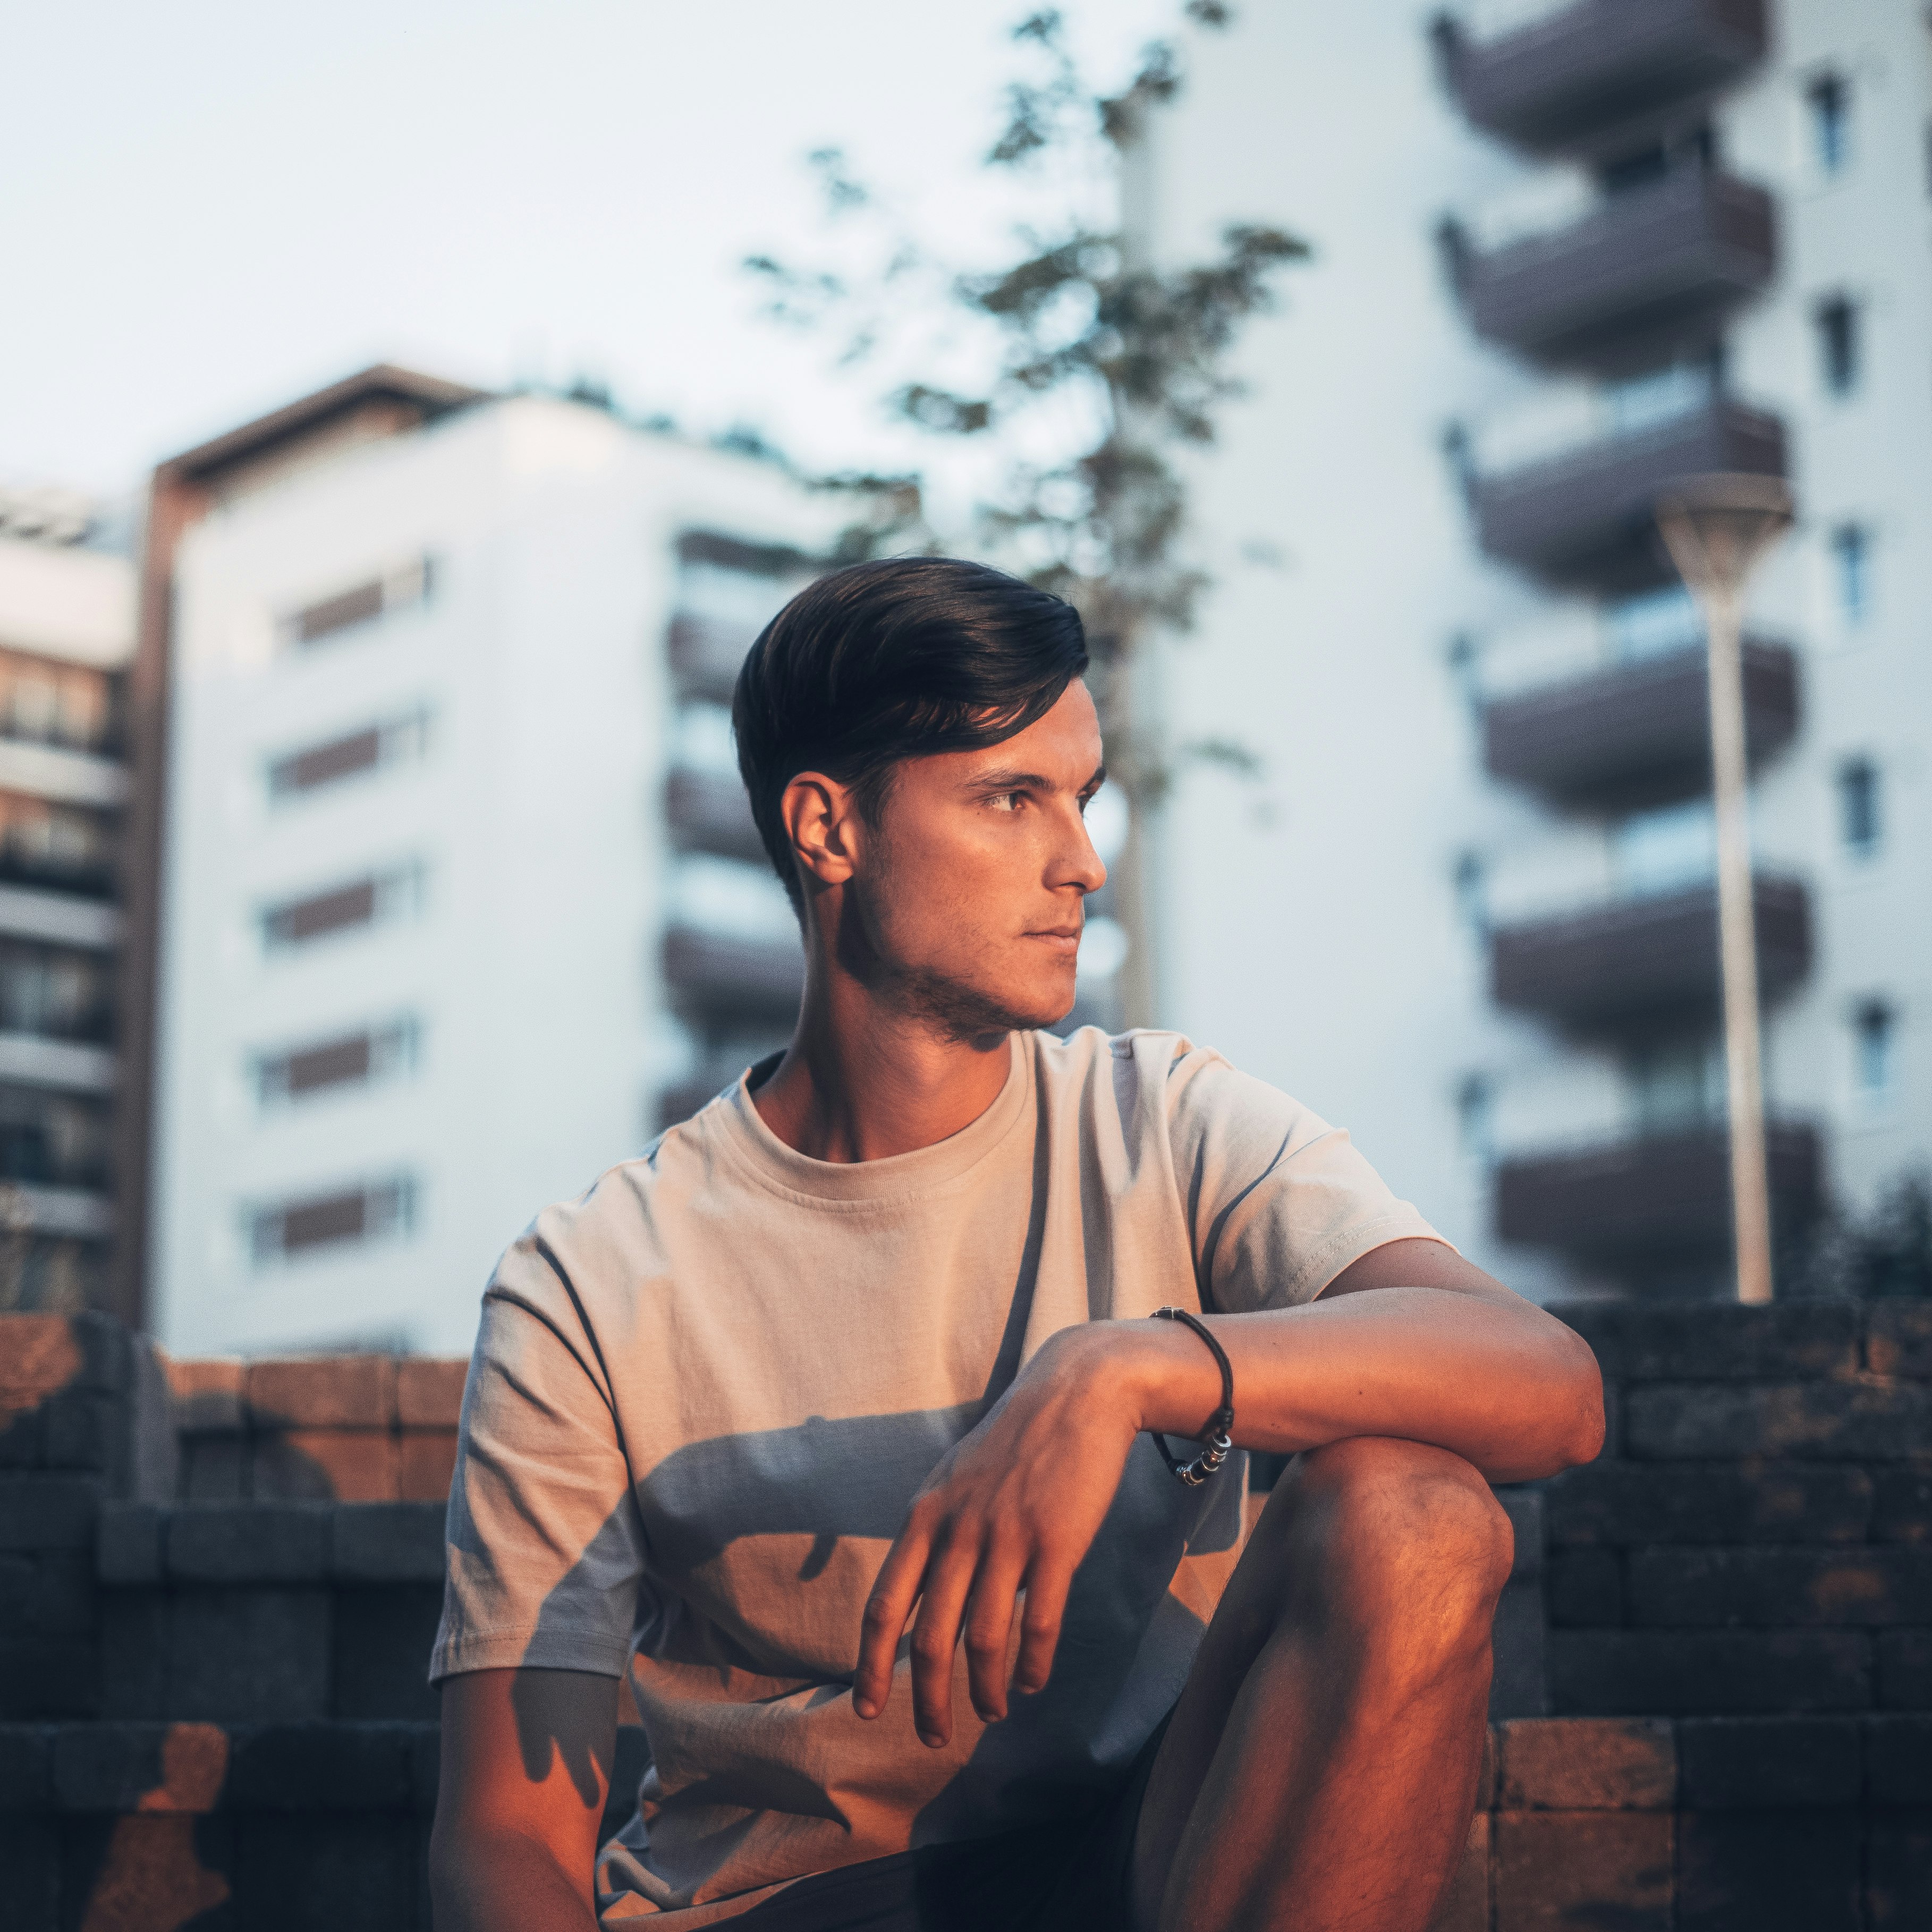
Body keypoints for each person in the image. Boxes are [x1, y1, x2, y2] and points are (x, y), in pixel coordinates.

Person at [427, 557, 1603, 1932]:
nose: (1081, 861)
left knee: (1408, 1512)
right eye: (1010, 797)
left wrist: (1123, 1370)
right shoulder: (593, 1275)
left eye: (1082, 797)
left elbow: (1546, 1384)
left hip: (1149, 1863)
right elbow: (508, 1835)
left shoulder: (1164, 1120)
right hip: (785, 1901)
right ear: (828, 826)